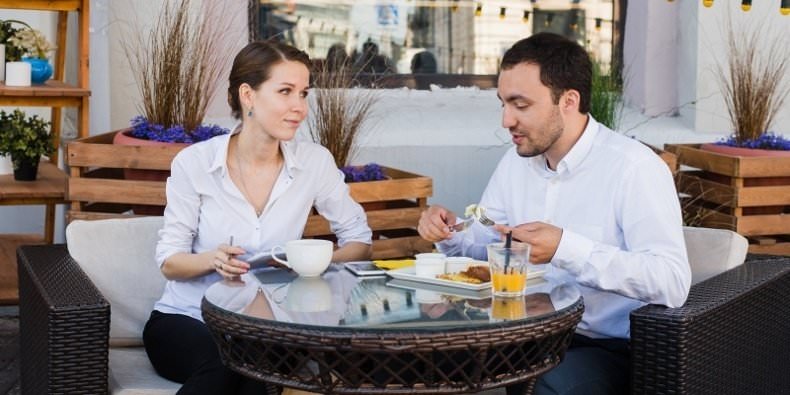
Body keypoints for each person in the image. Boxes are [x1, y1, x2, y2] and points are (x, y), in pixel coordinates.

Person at [417, 32, 691, 395]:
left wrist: (566, 248)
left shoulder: (633, 168)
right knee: (424, 357)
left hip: (608, 346)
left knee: (545, 385)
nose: (505, 121)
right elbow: (482, 244)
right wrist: (450, 233)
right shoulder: (516, 163)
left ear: (568, 101)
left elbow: (671, 281)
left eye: (520, 105)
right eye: (503, 104)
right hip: (522, 331)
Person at [143, 41, 373, 395]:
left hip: (275, 326)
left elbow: (359, 241)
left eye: (304, 93)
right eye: (285, 92)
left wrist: (310, 264)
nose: (299, 107)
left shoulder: (314, 162)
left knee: (256, 369)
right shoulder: (196, 164)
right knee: (224, 365)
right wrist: (212, 259)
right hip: (188, 318)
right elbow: (170, 263)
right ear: (248, 95)